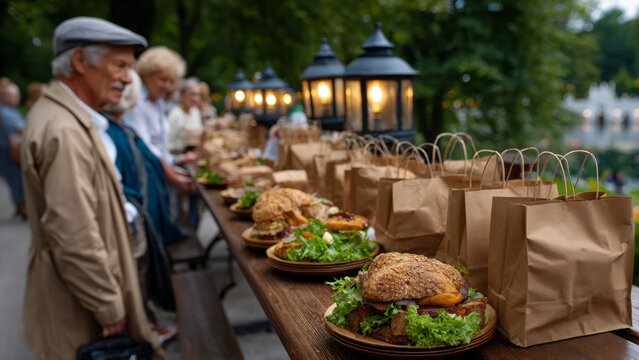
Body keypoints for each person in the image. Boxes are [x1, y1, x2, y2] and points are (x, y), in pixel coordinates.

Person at [20, 17, 164, 359]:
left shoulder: (67, 116)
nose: (128, 78)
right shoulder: (65, 130)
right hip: (77, 300)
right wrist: (108, 303)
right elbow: (73, 233)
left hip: (75, 287)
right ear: (80, 62)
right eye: (120, 65)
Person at [103, 69, 179, 344]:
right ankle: (145, 328)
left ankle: (148, 321)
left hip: (137, 211)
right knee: (137, 275)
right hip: (133, 215)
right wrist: (135, 213)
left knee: (141, 273)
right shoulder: (115, 131)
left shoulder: (122, 129)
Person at [123, 46, 198, 230]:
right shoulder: (137, 103)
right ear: (146, 75)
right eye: (163, 79)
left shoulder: (157, 100)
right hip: (148, 179)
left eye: (171, 81)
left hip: (159, 172)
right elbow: (145, 147)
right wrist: (172, 175)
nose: (168, 86)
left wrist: (176, 161)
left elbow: (160, 145)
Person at [0, 82, 26, 218]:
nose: (14, 98)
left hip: (11, 151)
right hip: (9, 152)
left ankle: (19, 206)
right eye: (10, 95)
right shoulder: (5, 112)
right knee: (17, 180)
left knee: (16, 180)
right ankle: (22, 207)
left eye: (16, 95)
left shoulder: (12, 111)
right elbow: (20, 128)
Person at [168, 77, 202, 154]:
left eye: (198, 95)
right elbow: (168, 142)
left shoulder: (196, 112)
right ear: (182, 95)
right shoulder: (175, 114)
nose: (195, 99)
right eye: (192, 94)